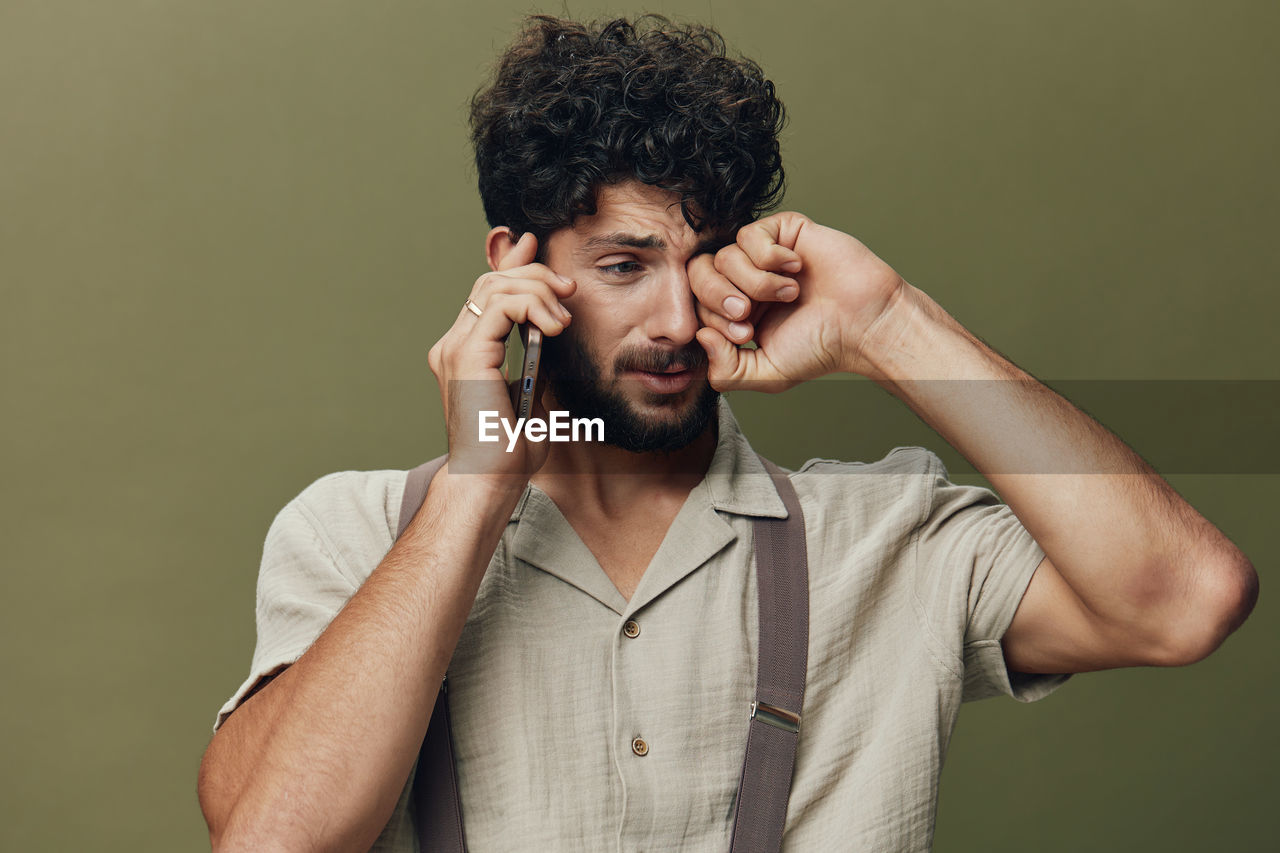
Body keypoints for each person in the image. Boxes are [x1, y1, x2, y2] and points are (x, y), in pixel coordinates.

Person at [197, 15, 1258, 852]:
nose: (671, 320)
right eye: (623, 265)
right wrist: (479, 483)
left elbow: (1184, 599)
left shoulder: (882, 538)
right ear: (514, 263)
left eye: (698, 259)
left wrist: (886, 323)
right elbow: (273, 839)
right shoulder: (354, 531)